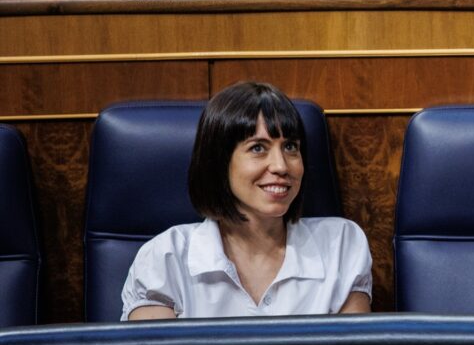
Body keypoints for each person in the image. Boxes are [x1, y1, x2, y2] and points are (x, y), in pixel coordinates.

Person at [120, 82, 372, 320]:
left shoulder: (342, 244)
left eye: (290, 147)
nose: (281, 166)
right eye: (258, 148)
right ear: (218, 162)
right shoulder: (165, 258)